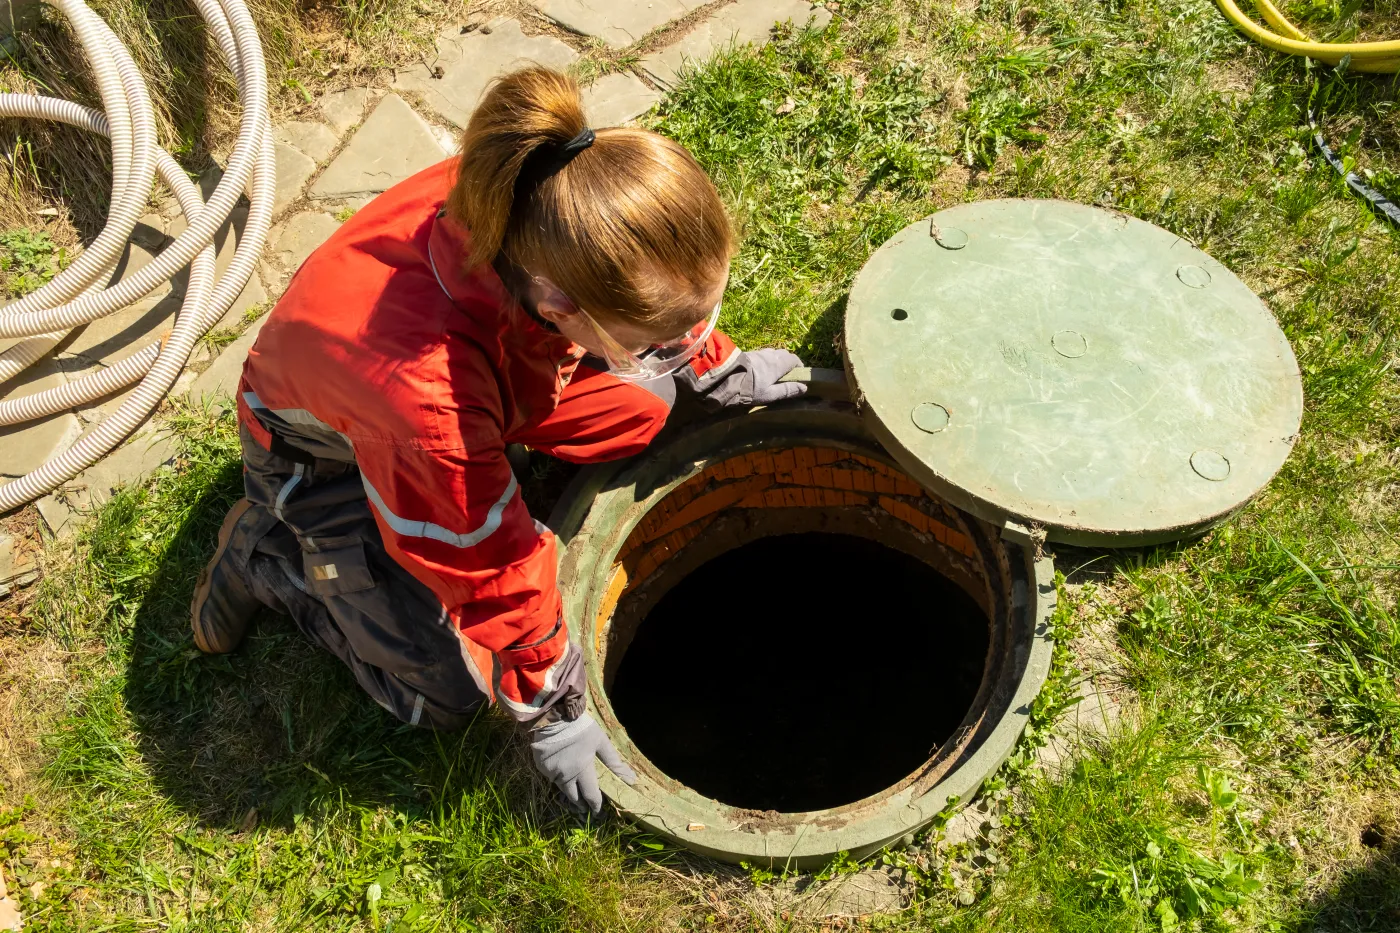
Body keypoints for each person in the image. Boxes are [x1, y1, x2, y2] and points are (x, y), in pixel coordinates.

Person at [188, 66, 806, 814]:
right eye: (665, 340)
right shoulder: (430, 409)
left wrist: (713, 372)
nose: (688, 344)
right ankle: (270, 553)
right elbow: (485, 560)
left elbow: (651, 305)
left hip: (496, 365)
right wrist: (549, 699)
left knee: (647, 405)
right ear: (559, 300)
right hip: (324, 458)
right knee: (442, 692)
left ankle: (536, 426)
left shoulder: (538, 192)